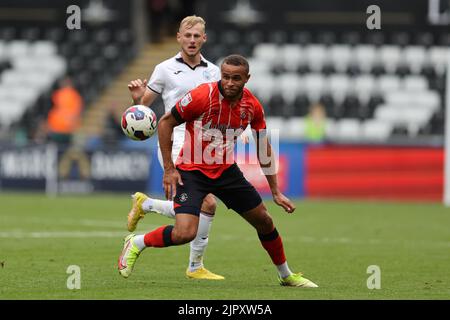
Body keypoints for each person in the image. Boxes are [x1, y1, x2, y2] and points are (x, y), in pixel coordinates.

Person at [118, 54, 318, 288]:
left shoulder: (252, 106)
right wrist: (169, 169)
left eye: (236, 78)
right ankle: (137, 242)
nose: (230, 83)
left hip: (225, 171)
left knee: (264, 220)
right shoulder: (202, 96)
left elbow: (263, 146)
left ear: (246, 78)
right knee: (184, 233)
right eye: (226, 77)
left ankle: (286, 275)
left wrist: (275, 191)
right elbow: (165, 122)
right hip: (192, 170)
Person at [125, 15, 224, 280]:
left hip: (203, 143)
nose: (192, 41)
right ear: (179, 37)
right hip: (175, 139)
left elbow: (219, 108)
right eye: (187, 36)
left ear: (204, 38)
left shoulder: (214, 71)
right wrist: (138, 99)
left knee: (208, 206)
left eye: (197, 36)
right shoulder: (164, 68)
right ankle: (194, 267)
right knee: (206, 201)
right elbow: (143, 108)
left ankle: (146, 206)